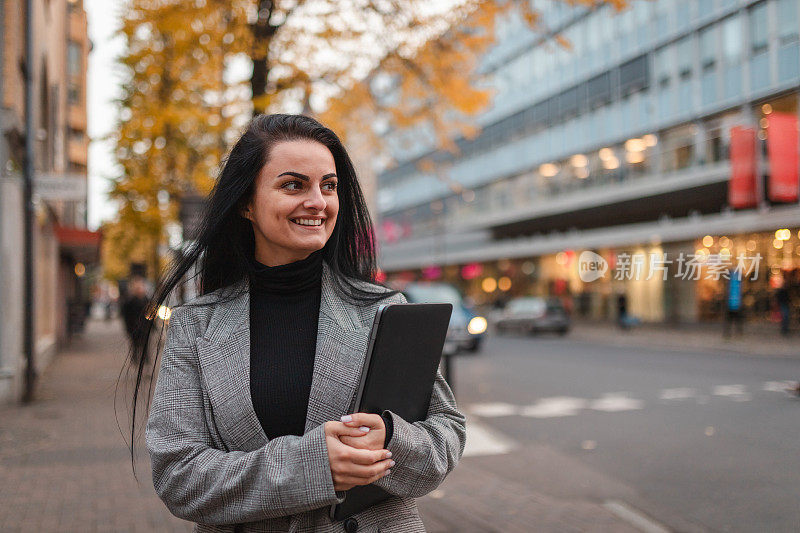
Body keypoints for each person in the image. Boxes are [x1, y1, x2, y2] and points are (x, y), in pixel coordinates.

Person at [128, 114, 466, 532]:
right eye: (293, 185)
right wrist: (312, 467)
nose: (318, 202)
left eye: (329, 185)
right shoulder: (196, 326)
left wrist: (391, 439)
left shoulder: (384, 309)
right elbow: (177, 475)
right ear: (246, 203)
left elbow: (446, 433)